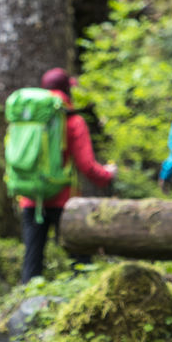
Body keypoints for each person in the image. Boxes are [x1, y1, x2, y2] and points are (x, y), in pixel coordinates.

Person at [18, 67, 116, 283]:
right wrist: (107, 175)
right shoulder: (72, 120)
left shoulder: (28, 117)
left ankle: (26, 303)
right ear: (67, 90)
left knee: (32, 261)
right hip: (64, 201)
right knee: (80, 260)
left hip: (31, 196)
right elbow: (87, 165)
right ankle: (80, 300)